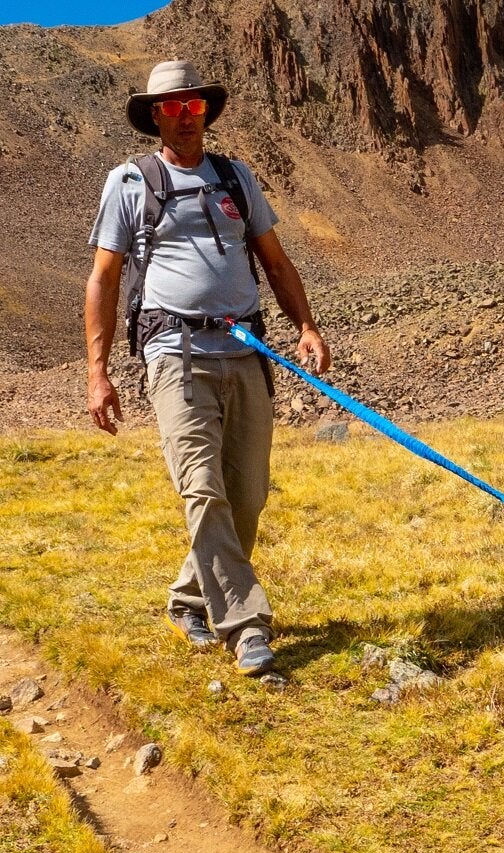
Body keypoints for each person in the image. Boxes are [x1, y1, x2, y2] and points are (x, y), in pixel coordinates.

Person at [83, 59, 329, 677]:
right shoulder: (129, 182)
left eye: (193, 104)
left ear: (205, 111)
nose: (185, 115)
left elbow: (275, 261)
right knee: (201, 487)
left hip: (245, 351)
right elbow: (104, 278)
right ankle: (247, 626)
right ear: (154, 116)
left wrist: (306, 325)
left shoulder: (236, 177)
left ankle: (189, 597)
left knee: (246, 494)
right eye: (172, 106)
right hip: (175, 352)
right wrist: (97, 372)